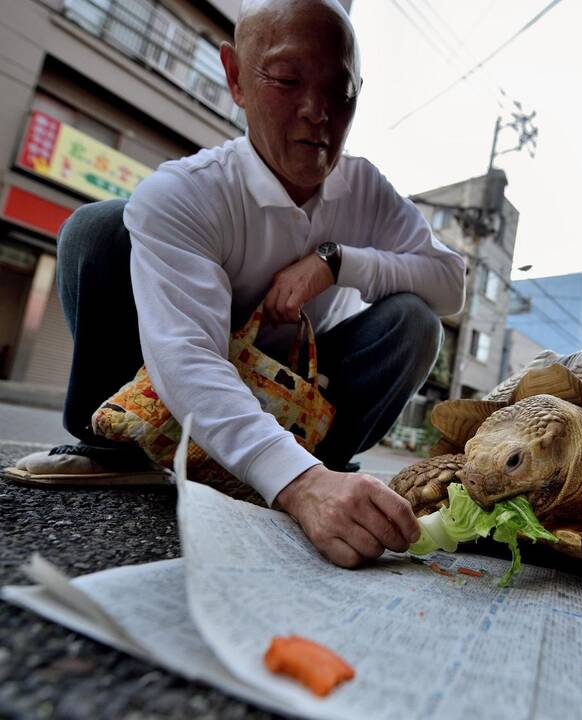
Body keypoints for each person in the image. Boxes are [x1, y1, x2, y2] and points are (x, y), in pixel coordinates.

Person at [12, 0, 465, 568]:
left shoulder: (366, 189)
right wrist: (296, 484)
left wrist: (338, 261)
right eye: (287, 79)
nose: (316, 111)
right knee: (98, 228)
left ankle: (321, 472)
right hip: (171, 391)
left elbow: (450, 284)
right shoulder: (186, 193)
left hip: (301, 408)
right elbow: (186, 356)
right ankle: (116, 449)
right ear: (235, 78)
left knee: (416, 322)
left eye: (340, 90)